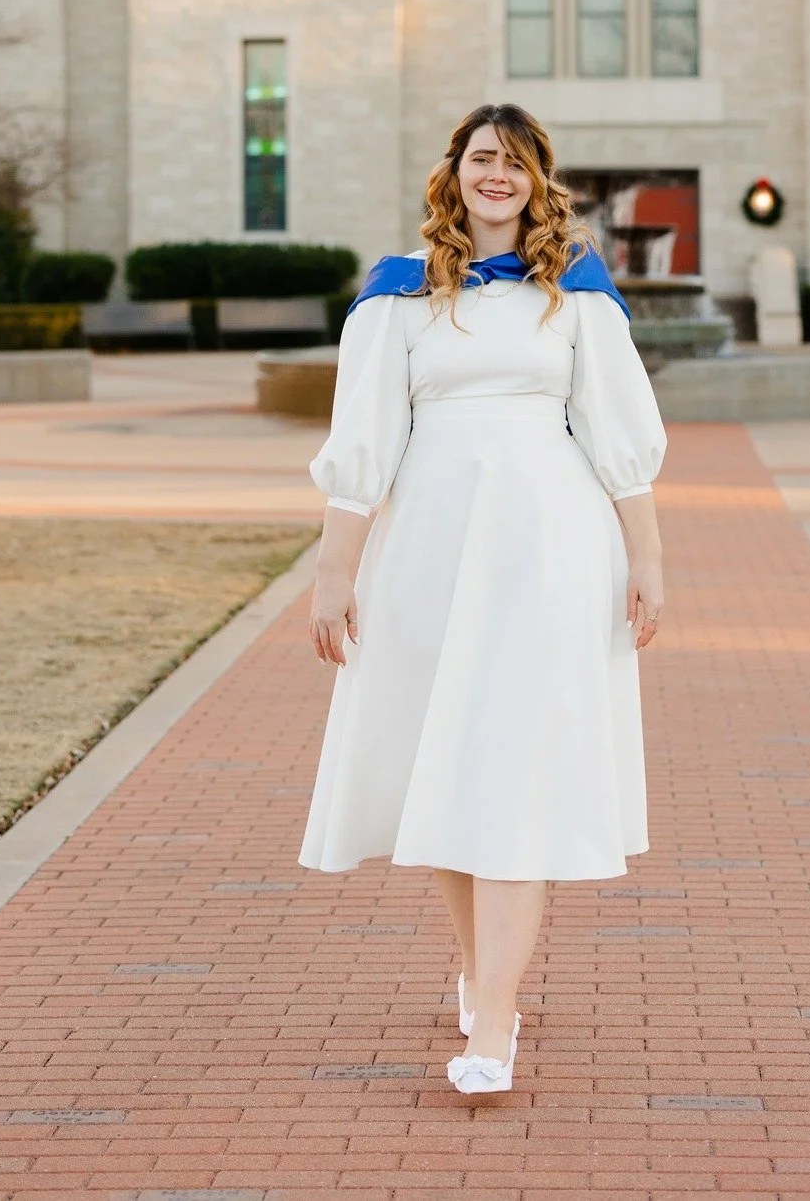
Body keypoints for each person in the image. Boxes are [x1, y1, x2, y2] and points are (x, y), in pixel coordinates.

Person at [299, 103, 667, 1096]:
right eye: (479, 159)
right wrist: (334, 572)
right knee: (447, 765)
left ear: (537, 179)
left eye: (513, 162)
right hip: (429, 552)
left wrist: (647, 558)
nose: (495, 175)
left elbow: (618, 433)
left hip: (552, 553)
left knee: (517, 773)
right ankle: (474, 970)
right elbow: (364, 444)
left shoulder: (577, 292)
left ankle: (493, 1021)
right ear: (452, 173)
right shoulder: (398, 296)